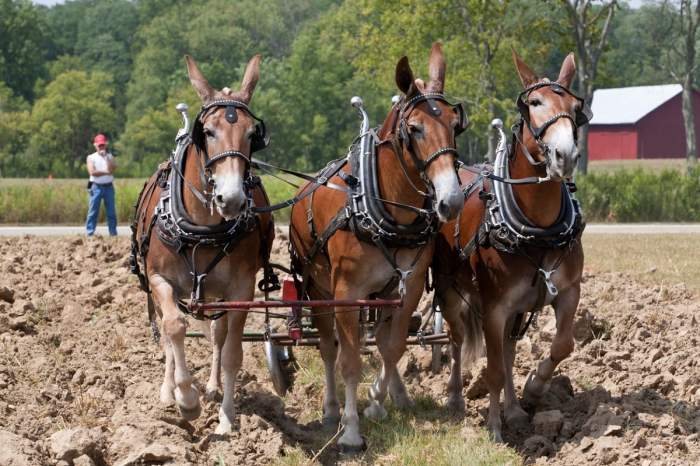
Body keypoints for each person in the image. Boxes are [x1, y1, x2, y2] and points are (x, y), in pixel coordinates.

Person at [85, 134, 117, 236]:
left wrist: (106, 158)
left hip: (108, 187)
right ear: (95, 145)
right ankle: (90, 233)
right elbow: (92, 172)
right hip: (95, 186)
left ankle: (113, 233)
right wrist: (106, 172)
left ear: (105, 145)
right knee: (93, 211)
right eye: (99, 145)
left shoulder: (110, 156)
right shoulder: (91, 157)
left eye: (103, 145)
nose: (101, 147)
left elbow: (112, 169)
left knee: (111, 212)